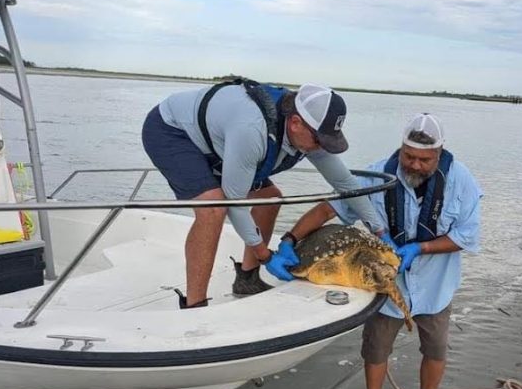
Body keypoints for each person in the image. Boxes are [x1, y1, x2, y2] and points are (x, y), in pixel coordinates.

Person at [273, 113, 482, 389]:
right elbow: (328, 210)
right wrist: (289, 240)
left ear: (439, 155)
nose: (414, 165)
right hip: (383, 285)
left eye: (424, 160)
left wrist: (422, 247)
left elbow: (467, 236)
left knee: (436, 350)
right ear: (400, 148)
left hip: (435, 287)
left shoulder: (462, 180)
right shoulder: (375, 175)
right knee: (375, 350)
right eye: (408, 156)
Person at [142, 79, 390, 308]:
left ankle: (247, 280)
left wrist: (380, 231)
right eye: (320, 140)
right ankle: (195, 306)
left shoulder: (310, 132)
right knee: (214, 208)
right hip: (173, 131)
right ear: (295, 123)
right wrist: (265, 254)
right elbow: (235, 204)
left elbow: (345, 184)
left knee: (271, 199)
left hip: (220, 144)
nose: (323, 147)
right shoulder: (253, 130)